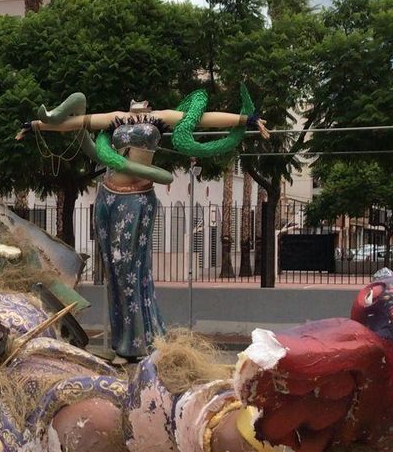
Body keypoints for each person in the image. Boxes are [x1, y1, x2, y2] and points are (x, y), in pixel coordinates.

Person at [29, 88, 266, 359]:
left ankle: (140, 341)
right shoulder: (115, 119)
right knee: (114, 271)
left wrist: (244, 120)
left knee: (131, 269)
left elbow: (206, 118)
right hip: (107, 197)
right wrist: (37, 125)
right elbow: (75, 122)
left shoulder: (159, 119)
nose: (137, 102)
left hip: (137, 199)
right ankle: (122, 342)